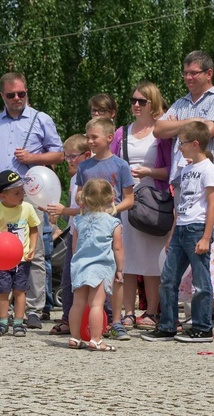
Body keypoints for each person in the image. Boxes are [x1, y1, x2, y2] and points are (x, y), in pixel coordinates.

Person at [153, 50, 214, 336]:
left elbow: (207, 130)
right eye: (185, 73)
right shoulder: (181, 102)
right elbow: (159, 129)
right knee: (187, 254)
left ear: (209, 73)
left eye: (194, 72)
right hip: (184, 184)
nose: (188, 78)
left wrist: (183, 125)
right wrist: (191, 123)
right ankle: (199, 315)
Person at [0, 72, 64, 330]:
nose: (17, 98)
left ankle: (33, 310)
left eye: (21, 93)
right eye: (11, 94)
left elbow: (59, 155)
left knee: (33, 253)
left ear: (27, 93)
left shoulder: (41, 119)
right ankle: (0, 309)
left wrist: (32, 158)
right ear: (2, 95)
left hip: (30, 193)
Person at [141, 121, 214, 342]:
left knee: (201, 281)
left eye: (182, 143)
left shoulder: (208, 170)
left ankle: (203, 327)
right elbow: (181, 205)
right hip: (181, 228)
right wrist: (172, 233)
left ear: (195, 144)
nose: (179, 148)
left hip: (197, 229)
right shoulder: (186, 169)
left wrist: (206, 236)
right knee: (168, 278)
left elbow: (213, 203)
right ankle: (167, 325)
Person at [110, 82, 172, 331]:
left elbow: (171, 169)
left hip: (151, 203)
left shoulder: (161, 132)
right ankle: (127, 312)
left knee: (149, 260)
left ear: (153, 103)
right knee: (126, 261)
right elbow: (111, 162)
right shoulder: (121, 133)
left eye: (142, 101)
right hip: (125, 201)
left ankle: (151, 311)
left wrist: (149, 171)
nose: (136, 105)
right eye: (133, 100)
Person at [76, 117, 135, 339]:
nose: (90, 141)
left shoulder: (121, 165)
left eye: (94, 137)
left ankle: (117, 321)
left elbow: (129, 199)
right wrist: (83, 200)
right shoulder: (84, 166)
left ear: (109, 138)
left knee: (117, 273)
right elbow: (79, 193)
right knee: (89, 271)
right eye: (87, 137)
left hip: (112, 227)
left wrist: (111, 211)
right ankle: (87, 321)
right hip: (90, 227)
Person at [68, 179, 123, 352]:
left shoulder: (78, 221)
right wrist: (120, 269)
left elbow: (74, 247)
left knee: (78, 304)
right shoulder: (113, 222)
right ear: (110, 198)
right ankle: (96, 339)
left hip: (80, 266)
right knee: (96, 304)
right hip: (100, 267)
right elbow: (118, 247)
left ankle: (75, 337)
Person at [0, 170, 40, 337]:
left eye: (22, 190)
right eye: (16, 193)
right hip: (2, 261)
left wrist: (32, 248)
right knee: (2, 291)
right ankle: (2, 322)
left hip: (22, 259)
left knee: (20, 291)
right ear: (3, 196)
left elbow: (34, 229)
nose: (21, 194)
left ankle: (18, 322)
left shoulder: (28, 208)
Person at [46, 134, 91, 335]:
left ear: (86, 155)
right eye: (67, 157)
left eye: (73, 156)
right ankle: (67, 319)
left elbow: (85, 209)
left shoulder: (88, 176)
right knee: (68, 279)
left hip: (88, 234)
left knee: (85, 280)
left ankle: (92, 319)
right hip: (74, 232)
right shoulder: (74, 178)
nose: (69, 161)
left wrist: (62, 210)